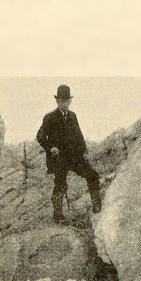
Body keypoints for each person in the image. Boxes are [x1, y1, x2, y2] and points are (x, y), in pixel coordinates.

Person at [36, 84, 101, 224]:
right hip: (59, 158)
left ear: (69, 101)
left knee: (93, 175)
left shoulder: (73, 116)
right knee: (60, 184)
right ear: (57, 101)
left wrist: (84, 150)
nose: (63, 103)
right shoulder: (50, 117)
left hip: (75, 156)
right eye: (60, 100)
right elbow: (40, 136)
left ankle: (97, 206)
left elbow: (79, 135)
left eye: (66, 100)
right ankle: (58, 216)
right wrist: (51, 147)